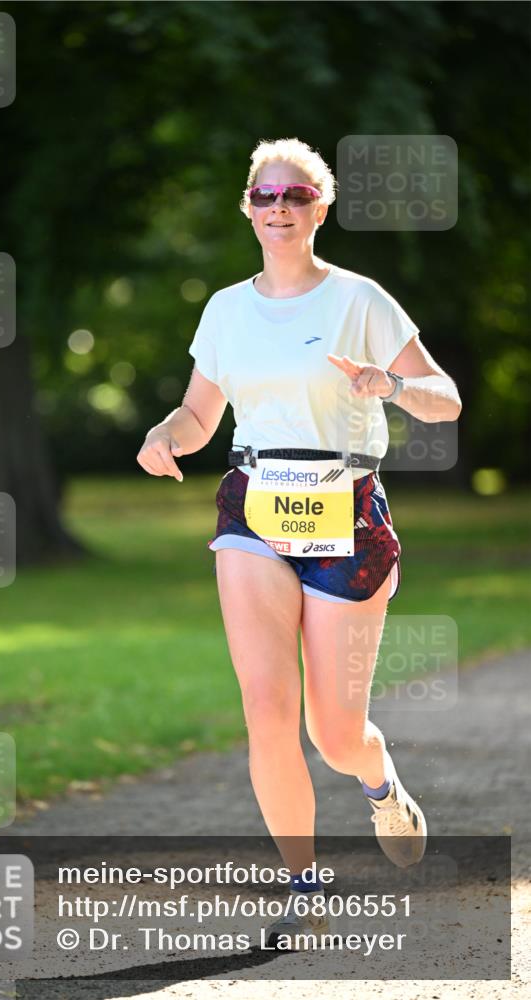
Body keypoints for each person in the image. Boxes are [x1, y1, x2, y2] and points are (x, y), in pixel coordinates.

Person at [137, 137, 462, 948]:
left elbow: (445, 400)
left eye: (295, 194)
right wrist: (164, 435)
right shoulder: (223, 309)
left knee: (334, 732)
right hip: (253, 506)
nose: (278, 207)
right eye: (263, 194)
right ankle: (303, 885)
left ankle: (380, 783)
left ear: (323, 205)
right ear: (246, 207)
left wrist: (387, 385)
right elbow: (199, 414)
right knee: (265, 707)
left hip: (346, 510)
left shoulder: (360, 299)